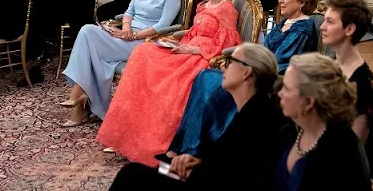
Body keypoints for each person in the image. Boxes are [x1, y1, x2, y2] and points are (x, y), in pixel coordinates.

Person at [97, 0, 241, 165]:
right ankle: (126, 134)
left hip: (200, 58)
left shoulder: (227, 10)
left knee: (166, 82)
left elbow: (228, 44)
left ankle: (149, 143)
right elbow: (193, 32)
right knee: (143, 52)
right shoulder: (206, 4)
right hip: (185, 48)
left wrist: (195, 49)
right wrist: (177, 43)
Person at [166, 0, 320, 158]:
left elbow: (279, 63)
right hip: (254, 71)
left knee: (207, 79)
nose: (280, 0)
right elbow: (261, 51)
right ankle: (185, 146)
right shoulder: (285, 23)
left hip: (267, 81)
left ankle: (195, 150)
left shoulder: (303, 29)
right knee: (204, 76)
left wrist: (245, 69)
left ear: (302, 2)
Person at [109, 44, 287, 190]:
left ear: (246, 73)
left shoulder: (256, 116)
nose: (223, 66)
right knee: (137, 173)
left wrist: (194, 170)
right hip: (204, 176)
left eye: (230, 62)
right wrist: (196, 161)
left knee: (131, 176)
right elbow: (227, 161)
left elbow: (238, 175)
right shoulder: (253, 108)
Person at [60, 0, 182, 125]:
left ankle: (81, 95)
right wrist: (125, 29)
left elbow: (163, 25)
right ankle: (83, 97)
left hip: (145, 41)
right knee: (87, 30)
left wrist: (133, 35)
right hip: (126, 34)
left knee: (91, 44)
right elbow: (129, 11)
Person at [276, 53, 371, 190]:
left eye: (286, 88)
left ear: (308, 102)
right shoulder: (292, 128)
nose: (280, 93)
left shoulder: (340, 152)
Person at [320, 0, 373, 175]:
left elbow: (355, 149)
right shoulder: (331, 65)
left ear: (349, 29)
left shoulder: (362, 82)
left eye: (330, 22)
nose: (322, 27)